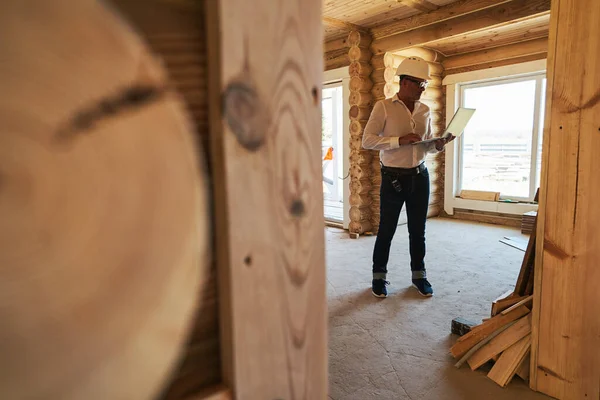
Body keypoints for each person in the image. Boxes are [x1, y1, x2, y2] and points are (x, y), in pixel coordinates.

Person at [362, 56, 455, 298]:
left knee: (418, 230)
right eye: (419, 83)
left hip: (419, 177)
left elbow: (425, 145)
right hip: (392, 178)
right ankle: (378, 277)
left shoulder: (425, 110)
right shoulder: (383, 107)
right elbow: (368, 140)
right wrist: (399, 141)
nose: (423, 89)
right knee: (387, 230)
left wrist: (439, 144)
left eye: (425, 84)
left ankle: (419, 276)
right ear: (404, 82)